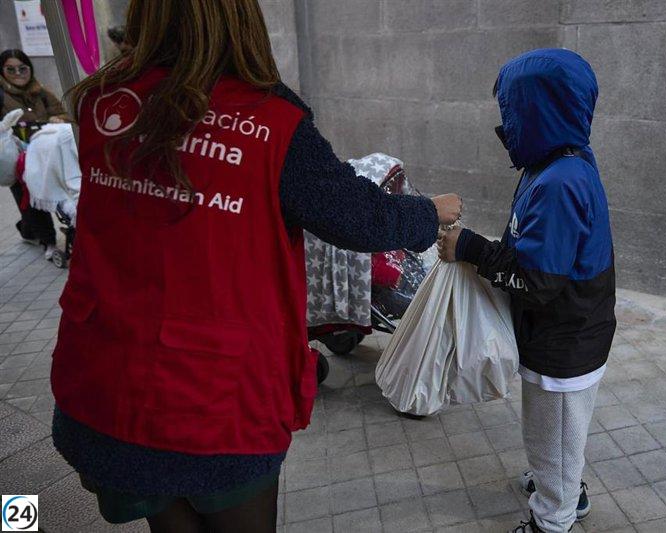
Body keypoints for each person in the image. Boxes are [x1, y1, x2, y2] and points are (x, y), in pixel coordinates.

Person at [49, 1, 461, 532]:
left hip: (105, 387)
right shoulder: (270, 120)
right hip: (212, 401)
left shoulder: (103, 102)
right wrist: (430, 212)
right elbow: (357, 218)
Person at [438, 48, 616, 533]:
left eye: (511, 113)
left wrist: (471, 247)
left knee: (553, 434)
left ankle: (553, 518)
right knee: (554, 436)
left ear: (540, 111)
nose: (506, 127)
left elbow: (538, 281)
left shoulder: (560, 181)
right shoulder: (558, 161)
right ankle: (560, 483)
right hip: (561, 332)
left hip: (565, 343)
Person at [1, 49, 68, 260]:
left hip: (47, 154)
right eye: (10, 69)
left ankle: (28, 230)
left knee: (47, 199)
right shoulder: (1, 95)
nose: (18, 73)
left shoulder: (41, 92)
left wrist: (58, 118)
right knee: (30, 199)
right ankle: (48, 242)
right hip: (16, 159)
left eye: (23, 68)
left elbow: (63, 113)